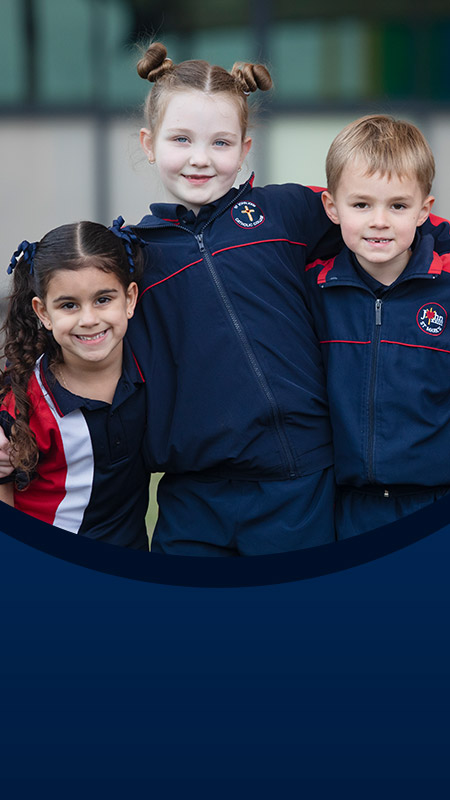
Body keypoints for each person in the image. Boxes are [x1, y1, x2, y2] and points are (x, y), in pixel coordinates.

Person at [119, 41, 345, 556]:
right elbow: (50, 327)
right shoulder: (132, 254)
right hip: (191, 495)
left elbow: (381, 221)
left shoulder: (288, 212)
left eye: (221, 143)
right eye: (181, 139)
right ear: (149, 143)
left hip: (299, 483)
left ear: (245, 149)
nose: (200, 159)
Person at [304, 114, 450, 538]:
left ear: (424, 210)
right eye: (362, 204)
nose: (380, 220)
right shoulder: (313, 290)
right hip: (345, 509)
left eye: (398, 206)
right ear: (332, 207)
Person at [0, 219, 150, 549]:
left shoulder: (150, 367)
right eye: (69, 305)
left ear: (129, 299)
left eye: (103, 299)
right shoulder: (27, 403)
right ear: (43, 313)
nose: (88, 319)